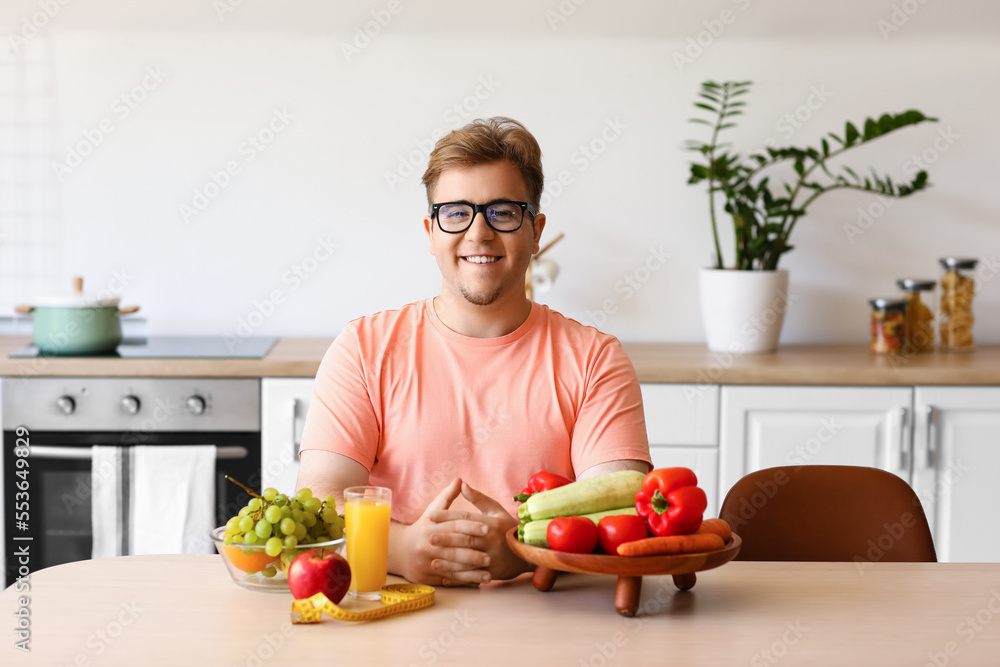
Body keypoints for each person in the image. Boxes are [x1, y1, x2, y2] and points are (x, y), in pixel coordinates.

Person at [297, 116, 651, 587]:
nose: (479, 233)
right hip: (393, 621)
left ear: (536, 230)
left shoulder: (595, 359)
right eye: (456, 212)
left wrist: (525, 551)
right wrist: (400, 548)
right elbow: (321, 498)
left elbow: (620, 506)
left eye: (502, 212)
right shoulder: (363, 349)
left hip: (551, 622)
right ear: (430, 231)